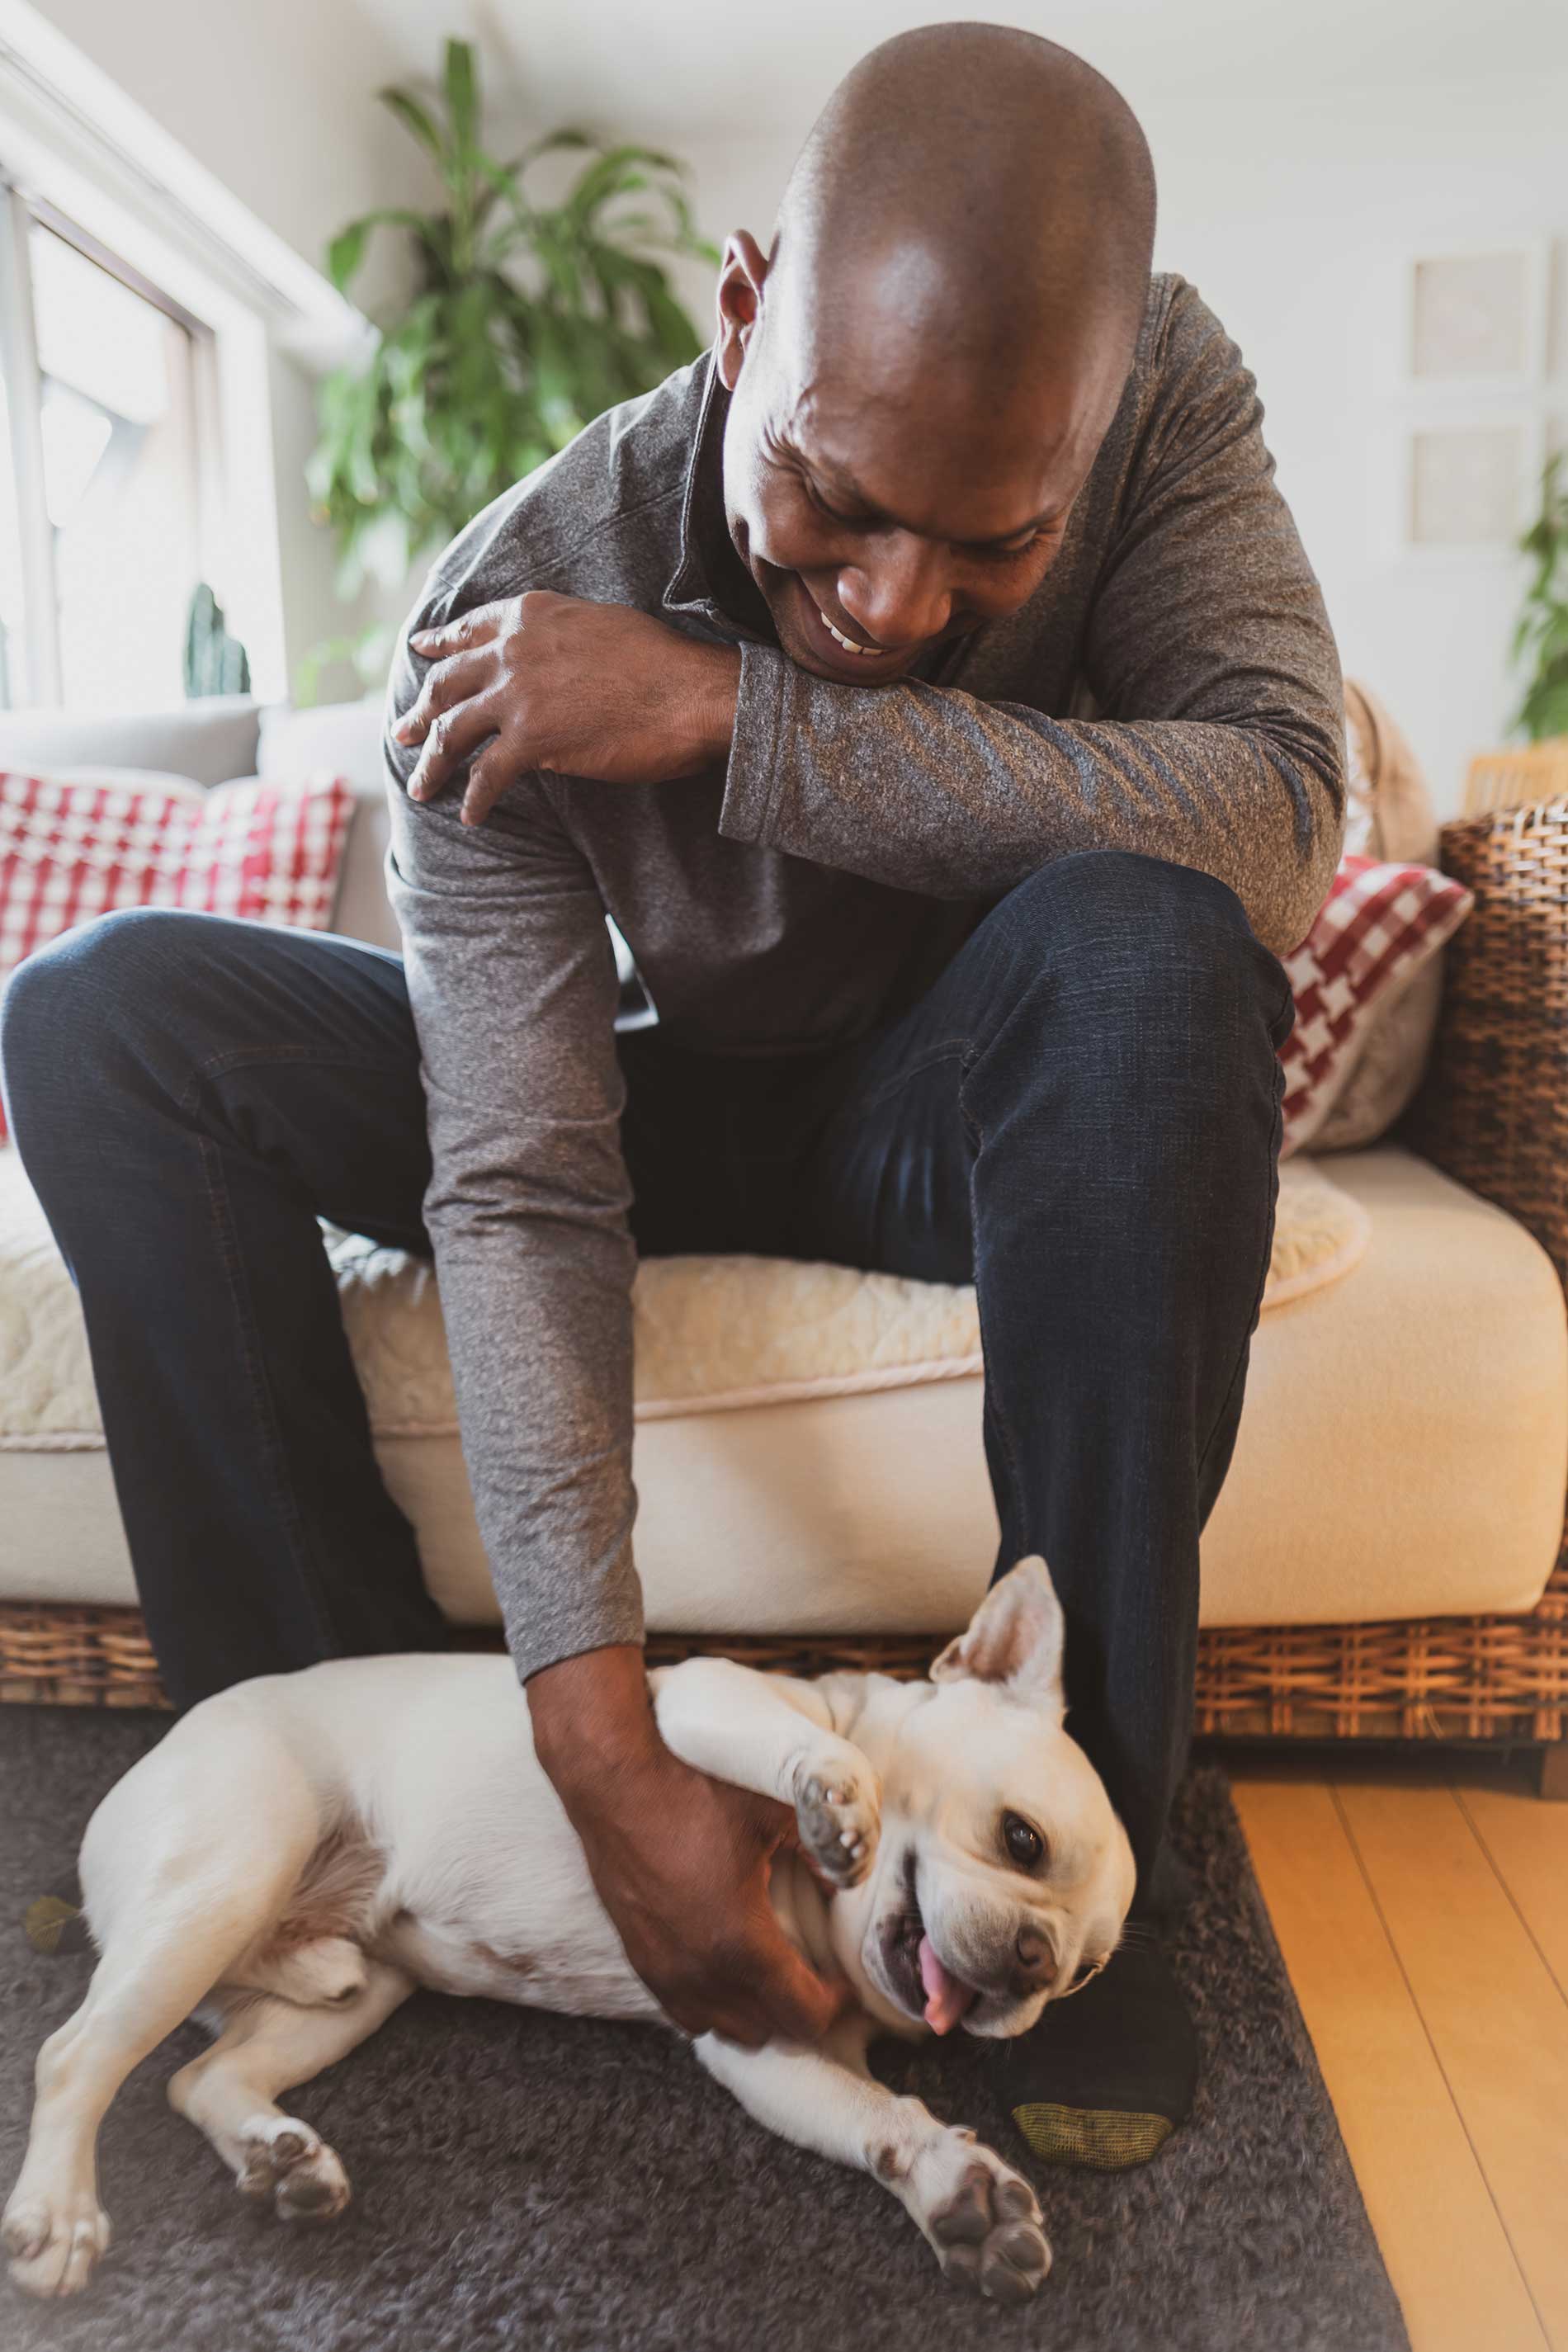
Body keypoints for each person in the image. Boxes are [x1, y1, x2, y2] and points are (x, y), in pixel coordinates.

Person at [2, 25, 1343, 2167]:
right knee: (101, 1009)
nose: (895, 604)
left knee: (1158, 934)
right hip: (641, 1100)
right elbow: (523, 1178)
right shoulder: (510, 593)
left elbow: (1277, 817)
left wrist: (739, 715)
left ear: (1090, 443)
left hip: (954, 1097)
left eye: (987, 546)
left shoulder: (1163, 392)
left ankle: (1121, 1868)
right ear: (739, 306)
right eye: (832, 498)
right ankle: (323, 1765)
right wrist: (591, 1726)